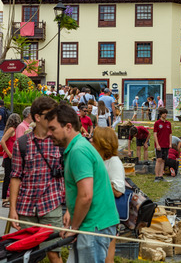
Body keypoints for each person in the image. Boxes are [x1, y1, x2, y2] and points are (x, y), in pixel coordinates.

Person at [46, 104, 119, 262]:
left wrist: (74, 228)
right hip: (93, 224)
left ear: (68, 127)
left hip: (93, 225)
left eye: (52, 129)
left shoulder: (78, 151)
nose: (48, 134)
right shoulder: (78, 146)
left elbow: (86, 195)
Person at [9, 97, 65, 263]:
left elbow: (69, 176)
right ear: (37, 117)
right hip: (26, 207)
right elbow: (15, 176)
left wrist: (69, 208)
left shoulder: (59, 142)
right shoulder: (22, 143)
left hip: (51, 204)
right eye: (50, 115)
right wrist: (13, 210)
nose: (53, 118)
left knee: (54, 252)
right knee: (26, 256)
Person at [92, 127, 125, 263]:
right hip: (99, 214)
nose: (91, 141)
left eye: (94, 139)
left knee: (106, 258)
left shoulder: (114, 162)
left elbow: (118, 191)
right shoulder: (100, 160)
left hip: (106, 216)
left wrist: (97, 179)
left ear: (102, 142)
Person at [1, 114, 20, 208]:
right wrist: (9, 154)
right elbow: (2, 141)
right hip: (9, 157)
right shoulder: (12, 129)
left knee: (11, 178)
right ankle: (4, 199)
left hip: (12, 157)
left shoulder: (15, 130)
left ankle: (8, 198)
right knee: (7, 178)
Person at [153, 108, 172, 182]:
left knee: (163, 160)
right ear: (161, 114)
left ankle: (161, 176)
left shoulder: (168, 123)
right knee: (159, 159)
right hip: (159, 144)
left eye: (166, 113)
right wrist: (157, 144)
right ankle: (156, 176)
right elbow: (155, 134)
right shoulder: (157, 123)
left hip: (166, 144)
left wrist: (170, 143)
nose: (165, 114)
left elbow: (170, 134)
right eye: (164, 113)